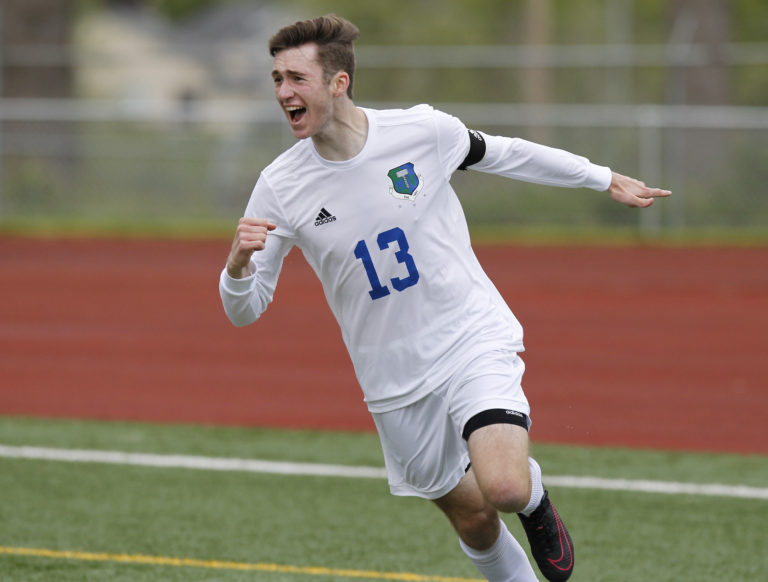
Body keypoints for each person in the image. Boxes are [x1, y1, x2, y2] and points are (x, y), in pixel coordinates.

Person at [219, 14, 670, 582]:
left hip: (467, 337)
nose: (284, 91)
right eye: (277, 78)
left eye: (296, 78)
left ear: (338, 83)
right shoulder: (279, 186)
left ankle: (533, 501)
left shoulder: (421, 132)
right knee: (475, 520)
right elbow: (245, 308)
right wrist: (237, 267)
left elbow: (505, 152)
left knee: (504, 487)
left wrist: (601, 177)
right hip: (393, 383)